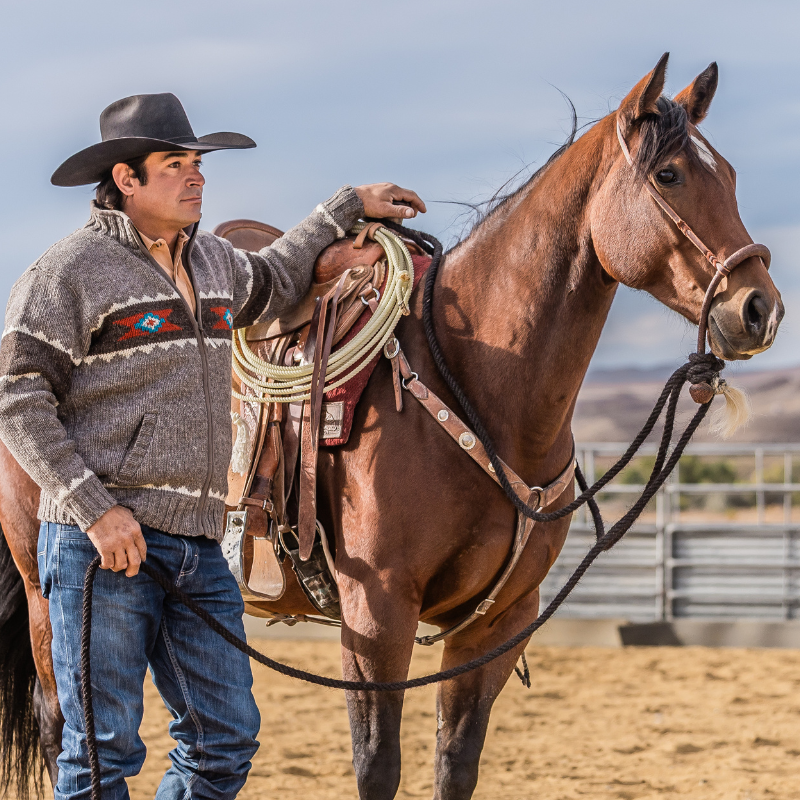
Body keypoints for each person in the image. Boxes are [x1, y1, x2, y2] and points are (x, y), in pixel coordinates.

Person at [0, 92, 425, 800]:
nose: (197, 177)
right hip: (102, 547)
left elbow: (281, 276)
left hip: (196, 545)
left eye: (198, 163)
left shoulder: (217, 263)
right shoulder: (68, 271)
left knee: (224, 741)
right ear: (126, 180)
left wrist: (347, 205)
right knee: (101, 753)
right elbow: (16, 397)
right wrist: (94, 510)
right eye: (175, 164)